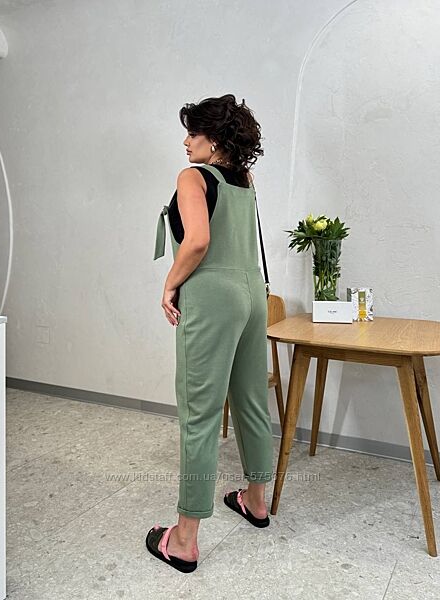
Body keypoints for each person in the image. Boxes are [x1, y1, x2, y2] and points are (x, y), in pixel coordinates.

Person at [146, 94, 274, 573]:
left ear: (214, 139)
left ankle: (183, 540)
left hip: (213, 297)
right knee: (251, 402)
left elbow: (198, 240)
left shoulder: (193, 177)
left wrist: (170, 282)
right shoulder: (246, 179)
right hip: (253, 294)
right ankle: (256, 501)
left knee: (199, 415)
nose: (186, 142)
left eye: (193, 133)